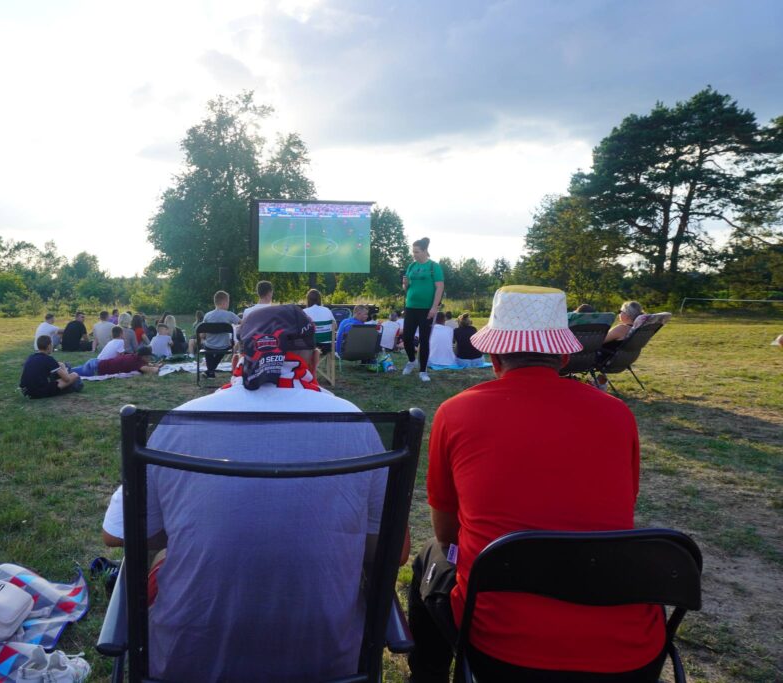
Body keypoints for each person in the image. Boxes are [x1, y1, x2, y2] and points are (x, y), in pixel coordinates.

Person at [407, 286, 665, 681]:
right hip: (630, 651)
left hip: (500, 642)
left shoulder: (455, 413)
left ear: (493, 357)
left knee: (429, 556)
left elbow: (447, 534)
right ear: (564, 356)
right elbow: (620, 511)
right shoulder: (617, 415)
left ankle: (428, 675)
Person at [136, 306, 408, 680]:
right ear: (314, 358)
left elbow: (128, 534)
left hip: (188, 663)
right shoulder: (356, 424)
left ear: (237, 356)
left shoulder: (179, 421)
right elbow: (395, 549)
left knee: (162, 561)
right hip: (326, 664)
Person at [402, 237, 445, 383]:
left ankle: (423, 371)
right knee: (406, 337)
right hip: (410, 307)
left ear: (425, 251)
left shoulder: (434, 267)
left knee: (424, 340)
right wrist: (405, 284)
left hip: (427, 309)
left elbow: (439, 287)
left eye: (417, 251)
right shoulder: (411, 266)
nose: (414, 254)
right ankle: (412, 360)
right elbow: (406, 288)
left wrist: (434, 307)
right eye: (413, 251)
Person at [200, 290, 241, 378]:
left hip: (209, 346)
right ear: (224, 302)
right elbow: (242, 322)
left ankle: (210, 371)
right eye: (228, 302)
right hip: (224, 346)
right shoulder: (229, 315)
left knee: (208, 349)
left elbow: (202, 335)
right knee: (224, 348)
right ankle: (210, 371)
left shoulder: (207, 315)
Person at [74, 346, 160, 378]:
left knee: (70, 370)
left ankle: (63, 367)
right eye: (149, 357)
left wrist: (152, 364)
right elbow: (152, 371)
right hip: (94, 369)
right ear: (144, 357)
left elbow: (145, 365)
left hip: (95, 362)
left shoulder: (132, 357)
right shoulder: (137, 363)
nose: (150, 359)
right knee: (71, 374)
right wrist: (157, 367)